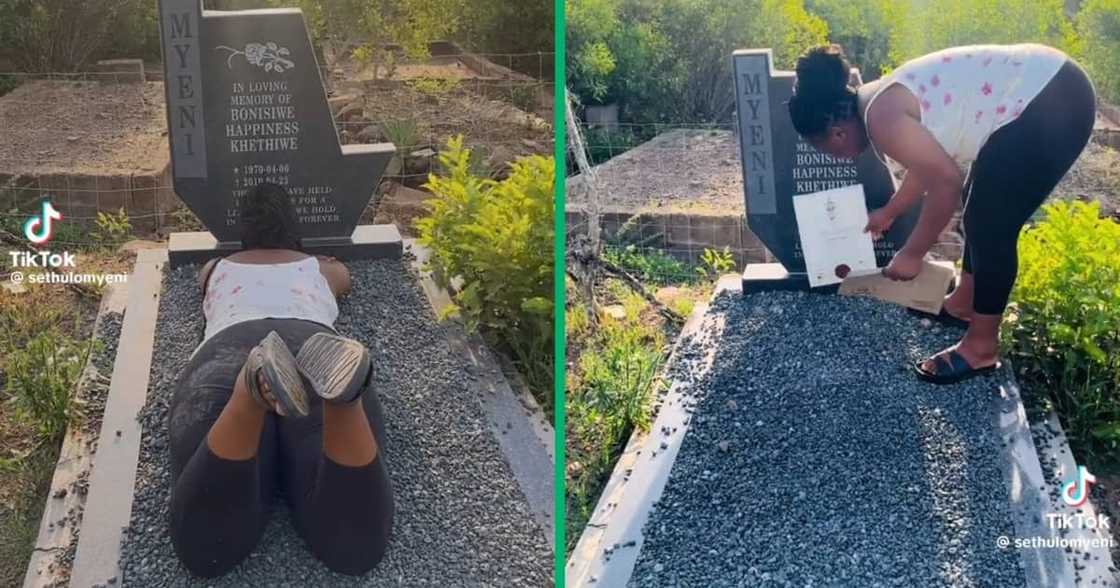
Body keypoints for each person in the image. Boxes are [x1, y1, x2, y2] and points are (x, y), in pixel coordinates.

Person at [787, 43, 1095, 385]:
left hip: (1051, 98)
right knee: (979, 208)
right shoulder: (876, 103)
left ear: (838, 132)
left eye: (825, 149)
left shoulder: (881, 120)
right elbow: (927, 166)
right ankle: (964, 303)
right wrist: (890, 211)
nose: (834, 157)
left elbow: (945, 182)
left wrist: (912, 254)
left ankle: (981, 347)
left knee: (990, 223)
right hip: (1046, 86)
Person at [168, 182, 393, 576]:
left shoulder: (217, 268)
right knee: (354, 550)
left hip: (229, 349)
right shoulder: (319, 269)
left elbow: (203, 281)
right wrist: (321, 262)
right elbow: (344, 279)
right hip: (312, 343)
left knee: (206, 551)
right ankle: (344, 400)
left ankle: (248, 393)